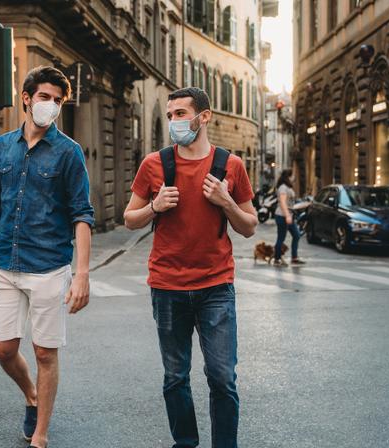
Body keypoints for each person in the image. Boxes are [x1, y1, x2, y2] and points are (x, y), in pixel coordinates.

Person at [124, 87, 257, 448]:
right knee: (175, 377)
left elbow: (249, 226)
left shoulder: (231, 165)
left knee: (222, 377)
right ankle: (185, 442)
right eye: (170, 115)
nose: (174, 122)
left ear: (204, 116)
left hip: (216, 287)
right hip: (167, 286)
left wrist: (226, 200)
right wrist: (154, 207)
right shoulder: (154, 164)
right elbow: (129, 219)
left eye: (181, 114)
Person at [0, 65, 94, 448]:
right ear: (26, 98)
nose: (51, 106)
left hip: (49, 265)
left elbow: (82, 215)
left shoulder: (69, 152)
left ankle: (40, 434)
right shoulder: (2, 147)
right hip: (7, 264)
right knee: (4, 349)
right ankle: (30, 394)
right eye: (45, 97)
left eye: (58, 101)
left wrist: (81, 276)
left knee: (45, 352)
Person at [274, 169, 305, 266]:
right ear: (288, 176)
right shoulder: (283, 188)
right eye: (293, 176)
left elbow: (289, 203)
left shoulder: (287, 187)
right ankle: (277, 259)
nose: (294, 177)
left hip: (289, 215)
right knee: (281, 238)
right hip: (282, 216)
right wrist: (287, 215)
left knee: (296, 235)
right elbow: (283, 202)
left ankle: (294, 257)